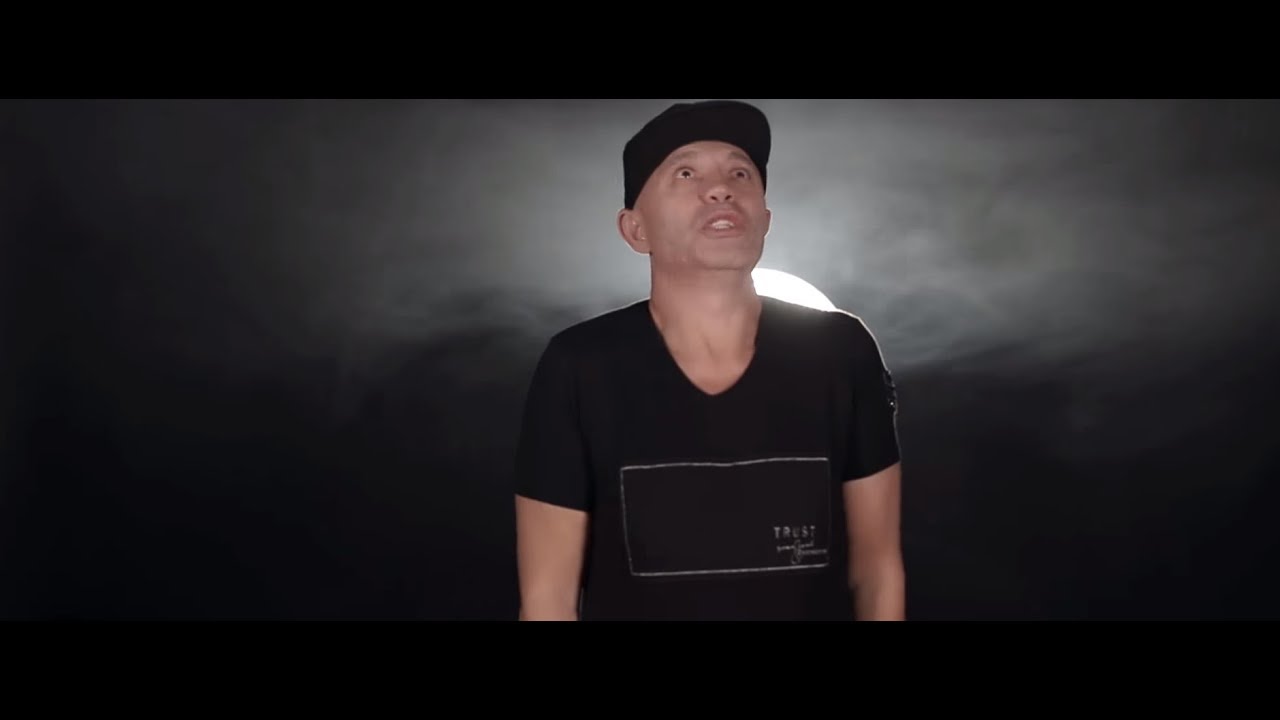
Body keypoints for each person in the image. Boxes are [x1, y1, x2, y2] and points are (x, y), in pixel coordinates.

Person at [513, 99, 904, 621]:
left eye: (740, 173)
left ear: (765, 219)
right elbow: (548, 599)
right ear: (636, 230)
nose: (720, 189)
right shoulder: (579, 366)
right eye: (686, 172)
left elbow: (877, 571)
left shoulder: (842, 352)